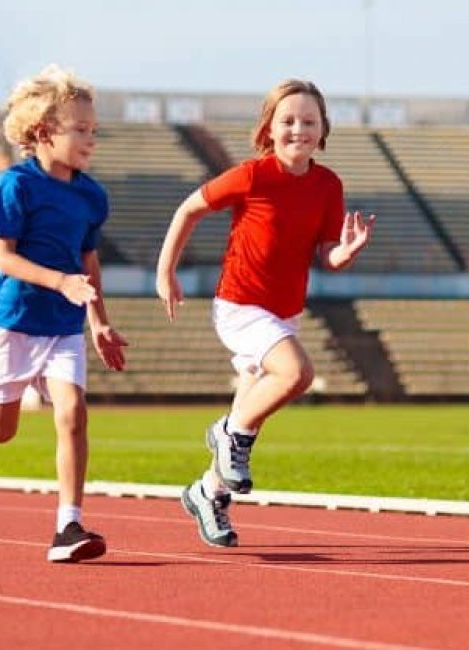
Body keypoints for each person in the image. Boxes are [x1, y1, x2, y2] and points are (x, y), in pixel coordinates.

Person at [0, 64, 128, 563]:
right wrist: (60, 282)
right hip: (12, 322)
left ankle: (68, 525)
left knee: (73, 413)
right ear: (42, 133)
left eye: (93, 130)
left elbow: (88, 260)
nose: (90, 139)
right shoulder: (14, 186)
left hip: (63, 326)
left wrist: (98, 321)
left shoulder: (91, 195)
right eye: (79, 130)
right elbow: (5, 259)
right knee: (0, 430)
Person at [155, 79, 375, 547]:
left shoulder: (327, 184)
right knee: (296, 373)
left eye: (309, 121)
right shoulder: (253, 176)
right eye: (288, 120)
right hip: (240, 306)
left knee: (251, 417)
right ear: (269, 129)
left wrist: (346, 251)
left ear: (323, 129)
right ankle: (226, 431)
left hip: (284, 313)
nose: (299, 129)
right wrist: (165, 272)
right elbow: (187, 210)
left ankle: (205, 493)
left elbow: (328, 254)